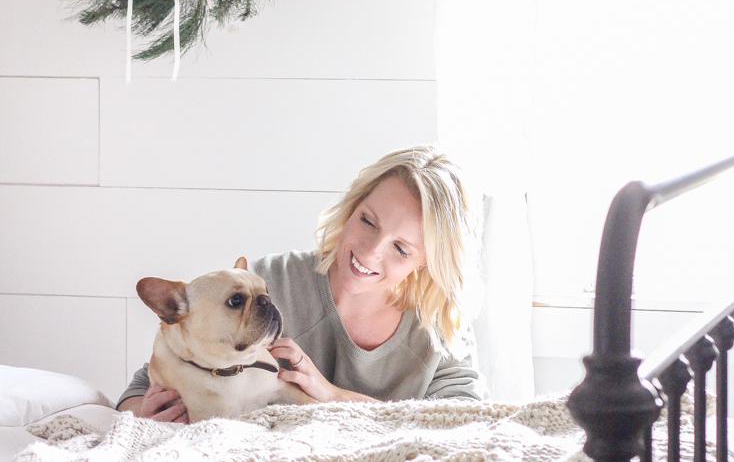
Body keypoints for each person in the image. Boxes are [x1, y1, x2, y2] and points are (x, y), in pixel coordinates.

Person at [117, 146, 487, 421]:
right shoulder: (266, 285)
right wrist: (146, 412)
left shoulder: (440, 321)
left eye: (401, 248)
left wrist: (332, 396)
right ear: (351, 207)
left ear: (430, 261)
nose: (370, 252)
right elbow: (140, 389)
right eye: (368, 222)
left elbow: (463, 423)